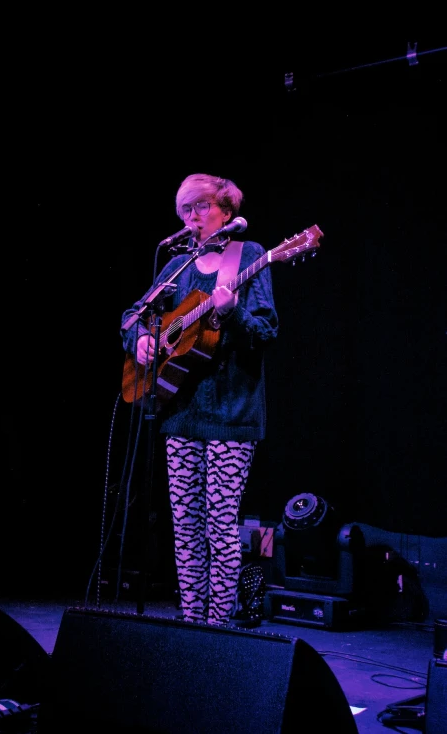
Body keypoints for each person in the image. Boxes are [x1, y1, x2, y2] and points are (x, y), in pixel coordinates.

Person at [120, 172, 279, 625]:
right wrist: (142, 340)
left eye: (201, 207)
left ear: (226, 211)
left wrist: (234, 312)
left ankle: (219, 624)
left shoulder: (248, 256)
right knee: (186, 527)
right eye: (186, 210)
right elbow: (131, 316)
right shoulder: (179, 266)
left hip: (231, 413)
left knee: (219, 524)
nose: (192, 218)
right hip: (180, 413)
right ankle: (192, 622)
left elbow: (266, 330)